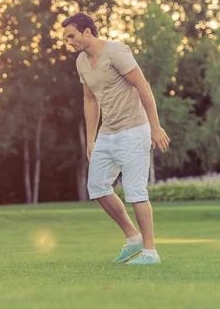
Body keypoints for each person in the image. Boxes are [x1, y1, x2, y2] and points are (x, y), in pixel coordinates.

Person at [63, 13, 170, 265]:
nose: (68, 41)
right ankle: (132, 237)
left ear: (88, 32)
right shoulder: (81, 62)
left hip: (134, 129)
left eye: (71, 36)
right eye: (66, 37)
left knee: (135, 191)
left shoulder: (116, 52)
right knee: (97, 187)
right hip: (107, 133)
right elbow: (89, 99)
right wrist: (91, 140)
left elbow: (143, 86)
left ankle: (150, 252)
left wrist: (155, 126)